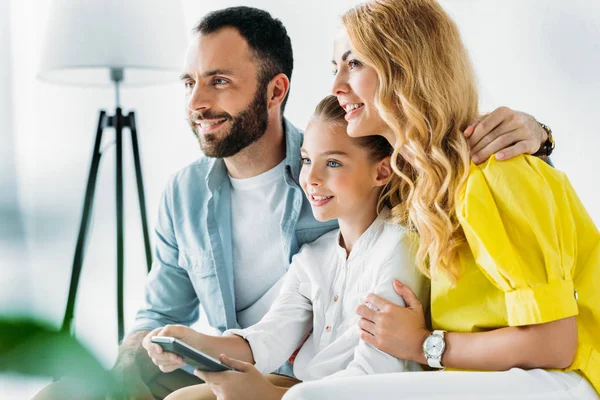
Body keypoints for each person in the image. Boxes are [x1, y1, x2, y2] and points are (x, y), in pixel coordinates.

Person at [32, 5, 552, 400]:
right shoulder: (187, 193)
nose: (195, 104)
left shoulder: (356, 164)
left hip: (302, 378)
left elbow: (440, 147)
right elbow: (173, 313)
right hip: (232, 358)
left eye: (219, 82)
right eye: (189, 82)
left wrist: (539, 135)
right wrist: (151, 349)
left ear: (276, 90)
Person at [283, 0, 600, 399]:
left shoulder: (493, 172)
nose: (336, 86)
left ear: (404, 67)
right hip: (480, 373)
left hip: (563, 378)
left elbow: (555, 344)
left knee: (307, 398)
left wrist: (423, 344)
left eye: (354, 64)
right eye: (335, 67)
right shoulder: (414, 184)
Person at [147, 94, 426, 400]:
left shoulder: (397, 249)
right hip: (308, 388)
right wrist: (192, 341)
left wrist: (267, 396)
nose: (312, 178)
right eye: (307, 160)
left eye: (332, 162)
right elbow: (269, 338)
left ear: (382, 172)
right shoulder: (315, 256)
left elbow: (375, 375)